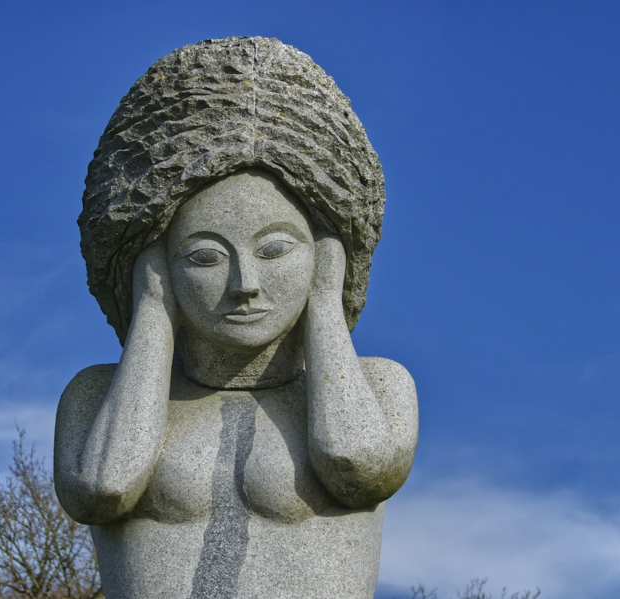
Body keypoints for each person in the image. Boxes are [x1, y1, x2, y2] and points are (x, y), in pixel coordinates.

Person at [55, 38, 418, 599]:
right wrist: (151, 309)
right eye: (205, 257)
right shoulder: (99, 398)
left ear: (324, 252)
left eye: (276, 250)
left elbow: (356, 462)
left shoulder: (378, 387)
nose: (244, 284)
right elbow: (103, 489)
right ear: (157, 262)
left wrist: (325, 304)